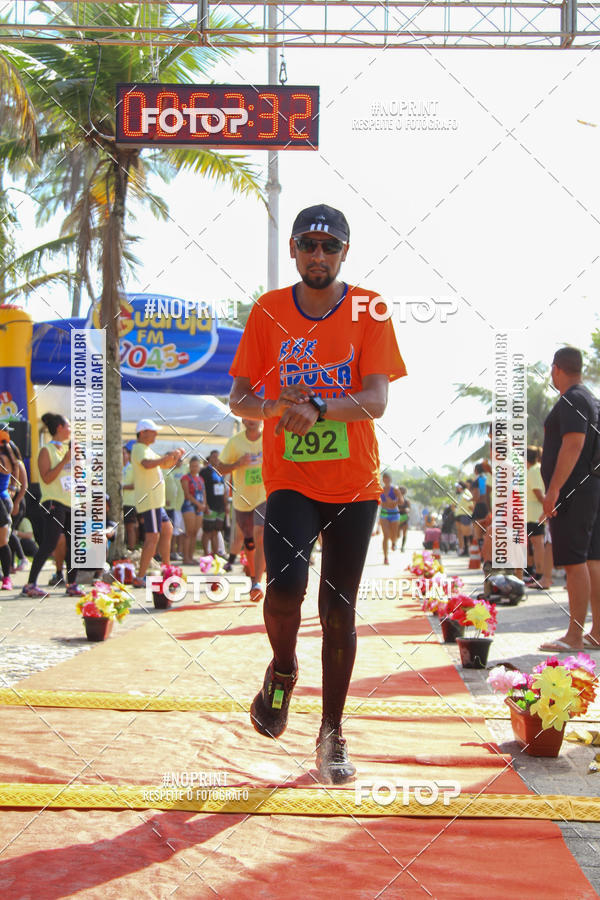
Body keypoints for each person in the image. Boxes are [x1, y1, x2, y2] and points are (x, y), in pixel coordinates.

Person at [228, 203, 406, 783]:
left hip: (355, 484)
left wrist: (320, 405)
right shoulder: (268, 310)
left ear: (345, 253)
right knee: (284, 591)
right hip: (291, 481)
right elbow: (240, 399)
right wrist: (278, 404)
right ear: (295, 252)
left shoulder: (369, 308)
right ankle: (282, 669)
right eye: (308, 245)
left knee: (338, 611)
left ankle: (331, 735)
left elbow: (376, 400)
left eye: (330, 247)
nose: (318, 256)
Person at [539, 347, 600, 652]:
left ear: (556, 368)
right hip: (590, 489)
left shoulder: (572, 399)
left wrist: (554, 490)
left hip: (574, 490)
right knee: (591, 560)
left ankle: (574, 636)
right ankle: (597, 632)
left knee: (576, 563)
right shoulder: (591, 399)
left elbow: (573, 445)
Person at [21, 413, 83, 597]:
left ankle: (72, 584)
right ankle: (30, 584)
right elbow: (46, 478)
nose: (71, 430)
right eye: (69, 427)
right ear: (59, 428)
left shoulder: (67, 450)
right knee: (49, 543)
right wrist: (65, 461)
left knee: (75, 544)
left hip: (72, 502)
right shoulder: (46, 450)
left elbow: (77, 477)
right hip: (54, 502)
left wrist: (76, 461)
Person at [130, 419, 184, 588]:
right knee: (152, 536)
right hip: (150, 500)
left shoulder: (146, 449)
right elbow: (147, 465)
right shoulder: (138, 448)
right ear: (143, 432)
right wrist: (168, 457)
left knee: (167, 530)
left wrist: (174, 457)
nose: (156, 434)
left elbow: (165, 465)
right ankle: (140, 577)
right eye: (153, 431)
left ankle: (166, 570)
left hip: (156, 502)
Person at [217, 420, 267, 603]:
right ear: (243, 420)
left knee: (260, 534)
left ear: (261, 418)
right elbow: (220, 468)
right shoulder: (234, 442)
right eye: (246, 417)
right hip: (242, 499)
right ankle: (253, 578)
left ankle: (258, 582)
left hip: (265, 495)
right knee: (250, 541)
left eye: (254, 416)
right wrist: (238, 463)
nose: (250, 420)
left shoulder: (270, 436)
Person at [0, 432, 20, 589]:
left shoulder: (4, 459)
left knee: (3, 541)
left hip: (2, 502)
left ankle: (6, 577)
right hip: (6, 499)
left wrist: (14, 491)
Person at [180, 456, 208, 564]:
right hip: (189, 506)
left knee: (195, 533)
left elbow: (204, 493)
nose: (194, 468)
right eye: (192, 466)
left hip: (200, 506)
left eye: (196, 466)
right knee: (189, 532)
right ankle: (185, 557)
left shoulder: (201, 479)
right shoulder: (185, 478)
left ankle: (191, 557)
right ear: (189, 466)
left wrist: (204, 504)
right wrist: (199, 505)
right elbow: (187, 495)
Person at [525, 445, 546, 587]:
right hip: (533, 513)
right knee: (535, 544)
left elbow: (538, 493)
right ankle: (536, 572)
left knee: (538, 545)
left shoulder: (533, 470)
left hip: (535, 514)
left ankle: (540, 573)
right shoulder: (535, 469)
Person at [201, 450, 228, 556]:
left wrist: (226, 505)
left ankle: (215, 554)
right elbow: (202, 488)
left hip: (220, 506)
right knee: (207, 531)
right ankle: (206, 553)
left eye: (218, 457)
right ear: (210, 458)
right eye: (214, 457)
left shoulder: (220, 472)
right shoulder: (204, 472)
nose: (216, 458)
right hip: (210, 505)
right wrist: (205, 504)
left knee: (216, 531)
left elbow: (224, 490)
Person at [379, 472, 400, 565]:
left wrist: (393, 502)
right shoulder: (381, 490)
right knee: (386, 536)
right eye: (384, 478)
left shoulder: (395, 489)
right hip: (384, 513)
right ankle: (385, 557)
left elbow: (401, 500)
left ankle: (394, 542)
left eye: (387, 478)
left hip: (394, 513)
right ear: (383, 480)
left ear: (390, 479)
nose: (386, 480)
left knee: (393, 535)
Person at [122, 441, 138, 551]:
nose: (122, 456)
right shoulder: (115, 469)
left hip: (129, 502)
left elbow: (135, 485)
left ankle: (131, 549)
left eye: (124, 453)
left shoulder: (132, 468)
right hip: (118, 503)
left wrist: (122, 487)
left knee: (130, 527)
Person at [454, 481, 473, 555]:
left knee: (467, 533)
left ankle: (469, 549)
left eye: (457, 487)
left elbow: (471, 504)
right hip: (459, 515)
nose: (456, 488)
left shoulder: (466, 493)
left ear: (460, 487)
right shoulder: (460, 494)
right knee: (460, 533)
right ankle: (463, 549)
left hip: (465, 514)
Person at [397, 486, 410, 552]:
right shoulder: (396, 499)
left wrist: (406, 510)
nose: (402, 492)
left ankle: (402, 547)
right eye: (401, 491)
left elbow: (409, 508)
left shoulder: (407, 500)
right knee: (398, 534)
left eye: (403, 491)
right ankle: (394, 544)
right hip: (397, 517)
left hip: (404, 517)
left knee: (404, 533)